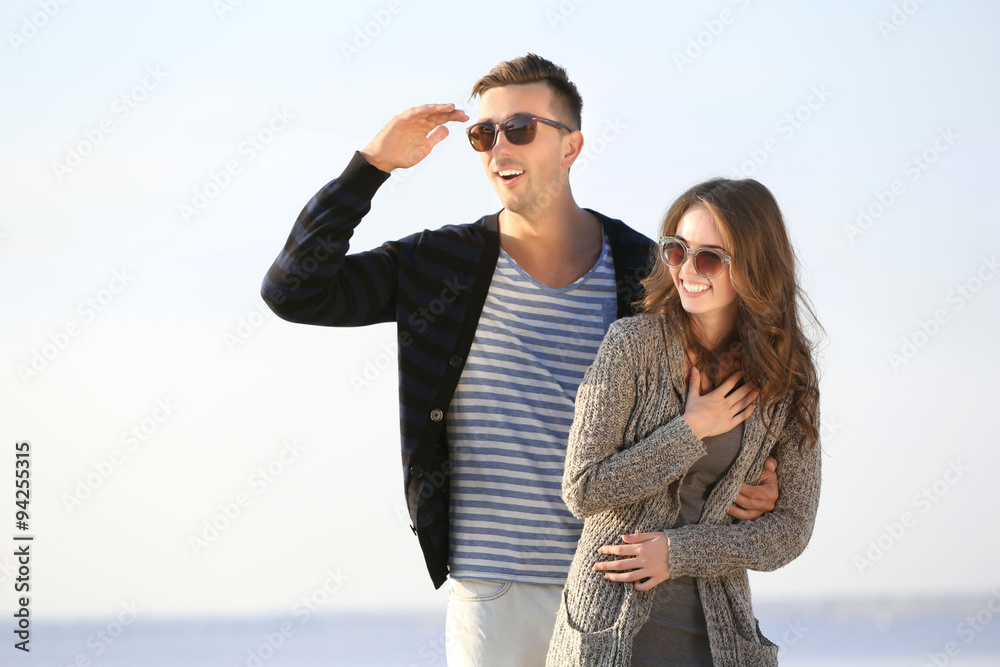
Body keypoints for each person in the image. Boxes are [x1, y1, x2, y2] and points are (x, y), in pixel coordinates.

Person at [261, 55, 780, 666]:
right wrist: (371, 167)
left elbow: (728, 388)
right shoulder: (439, 266)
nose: (498, 147)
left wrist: (752, 477)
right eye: (483, 134)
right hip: (493, 591)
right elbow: (295, 290)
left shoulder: (647, 271)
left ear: (571, 146)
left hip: (621, 586)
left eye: (520, 129)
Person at [546, 178, 822, 667]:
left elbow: (792, 528)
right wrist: (689, 432)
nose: (687, 270)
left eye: (709, 258)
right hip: (608, 634)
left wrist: (679, 552)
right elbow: (582, 488)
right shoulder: (631, 346)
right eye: (677, 250)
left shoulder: (788, 378)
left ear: (754, 266)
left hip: (718, 641)